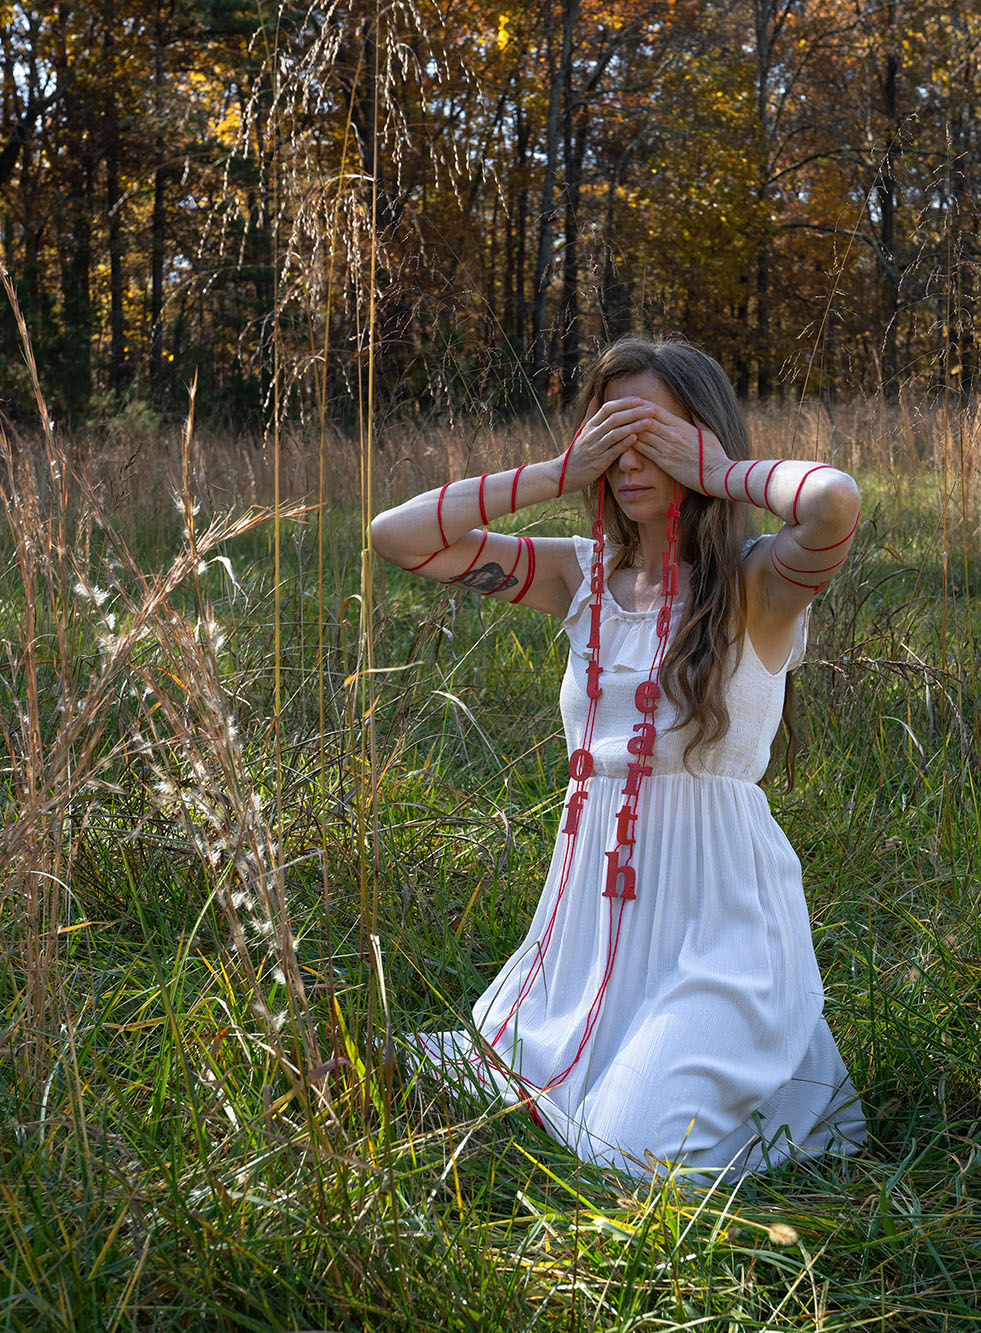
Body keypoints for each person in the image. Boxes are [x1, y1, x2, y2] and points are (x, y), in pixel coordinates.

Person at [368, 337, 867, 1181]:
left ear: (703, 440)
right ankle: (480, 1067)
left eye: (655, 438)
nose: (630, 460)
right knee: (542, 1067)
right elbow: (397, 535)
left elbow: (834, 502)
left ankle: (768, 1087)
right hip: (593, 918)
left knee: (621, 1148)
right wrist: (557, 473)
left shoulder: (760, 583)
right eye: (612, 435)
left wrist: (719, 469)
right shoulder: (580, 573)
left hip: (720, 923)